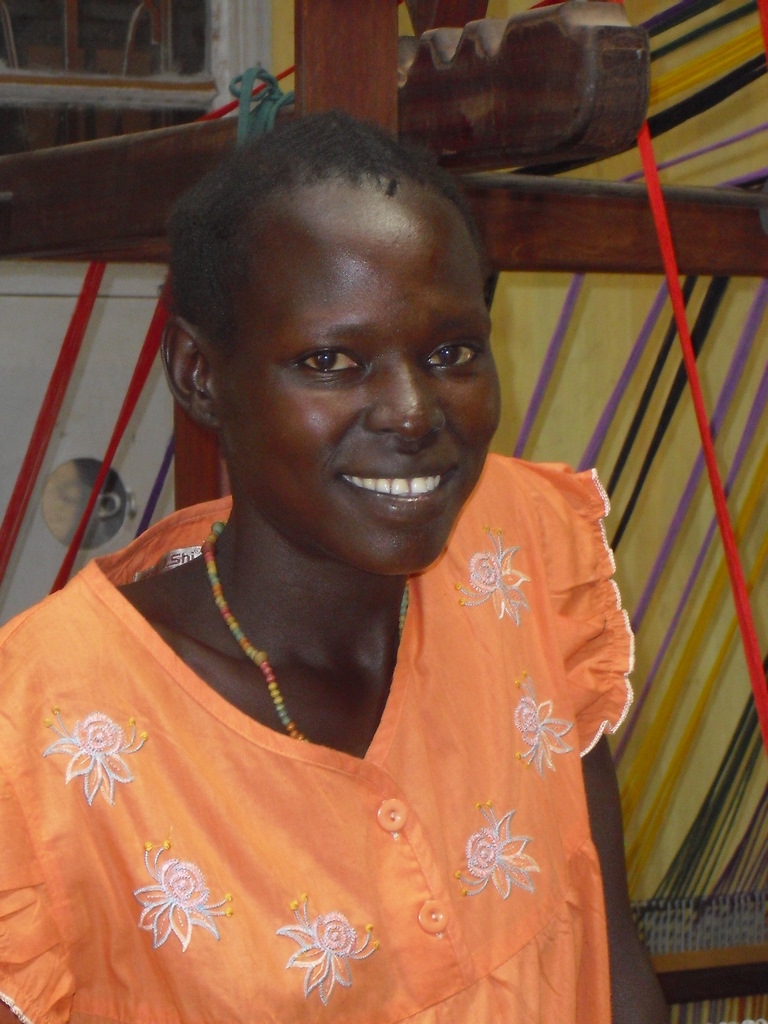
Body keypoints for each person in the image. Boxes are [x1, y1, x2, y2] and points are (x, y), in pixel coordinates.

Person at [0, 111, 668, 1023]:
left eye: (451, 353)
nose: (412, 412)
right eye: (331, 361)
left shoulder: (516, 549)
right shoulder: (45, 729)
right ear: (199, 375)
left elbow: (608, 953)